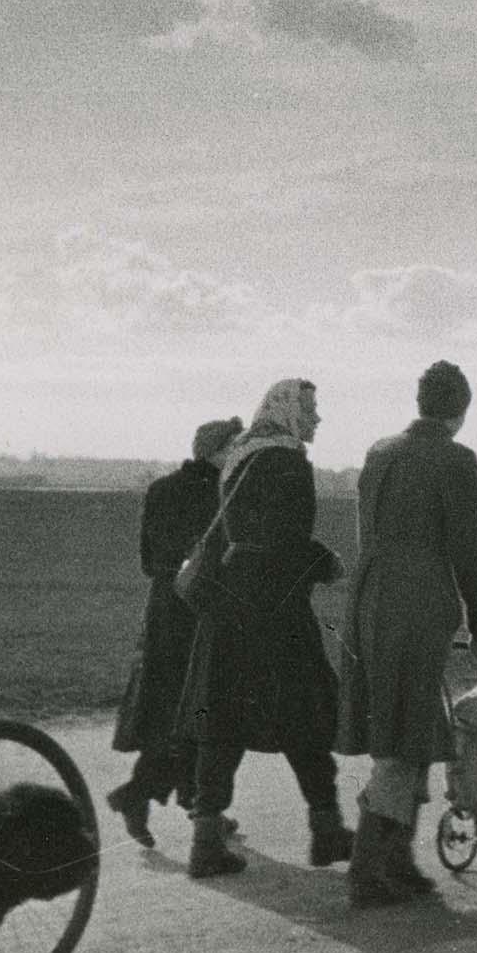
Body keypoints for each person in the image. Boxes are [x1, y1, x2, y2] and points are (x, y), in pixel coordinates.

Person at [338, 359, 477, 909]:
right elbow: (467, 547)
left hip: (370, 595)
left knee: (410, 727)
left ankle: (397, 861)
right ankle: (368, 866)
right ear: (461, 410)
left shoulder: (381, 450)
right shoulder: (454, 458)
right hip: (416, 600)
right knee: (406, 736)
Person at [176, 377, 353, 879]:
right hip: (274, 611)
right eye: (311, 408)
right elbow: (282, 539)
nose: (317, 418)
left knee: (224, 723)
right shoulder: (288, 461)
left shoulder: (243, 455)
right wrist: (326, 562)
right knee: (306, 716)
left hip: (230, 608)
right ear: (289, 411)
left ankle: (206, 840)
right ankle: (326, 828)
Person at [104, 415, 243, 848]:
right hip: (200, 613)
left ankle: (196, 805)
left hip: (164, 610)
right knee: (198, 711)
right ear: (219, 450)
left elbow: (148, 561)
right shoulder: (223, 494)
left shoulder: (160, 489)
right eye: (235, 448)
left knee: (171, 710)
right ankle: (141, 795)